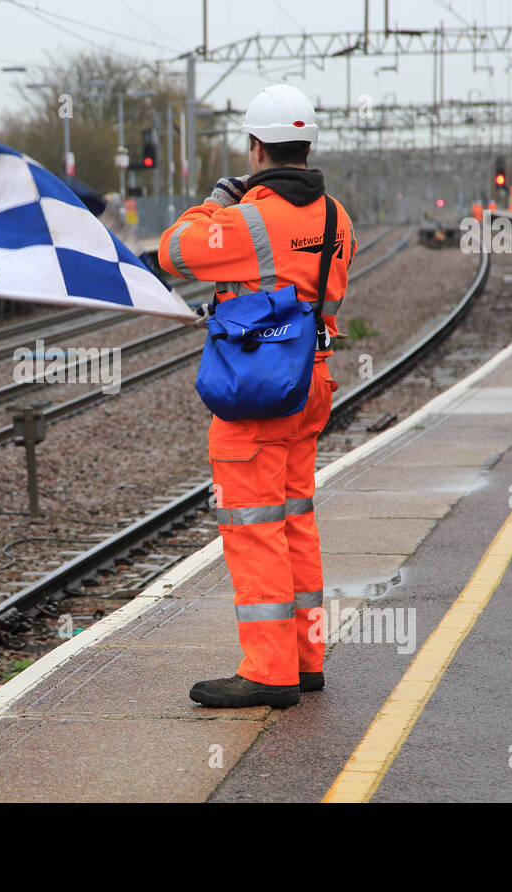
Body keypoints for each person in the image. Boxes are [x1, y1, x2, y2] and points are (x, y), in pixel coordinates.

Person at [157, 83, 354, 709]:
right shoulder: (336, 216)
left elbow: (172, 251)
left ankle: (269, 672)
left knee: (254, 525)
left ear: (256, 147)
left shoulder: (244, 220)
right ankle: (303, 658)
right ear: (307, 145)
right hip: (312, 380)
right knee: (295, 518)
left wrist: (216, 201)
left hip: (258, 390)